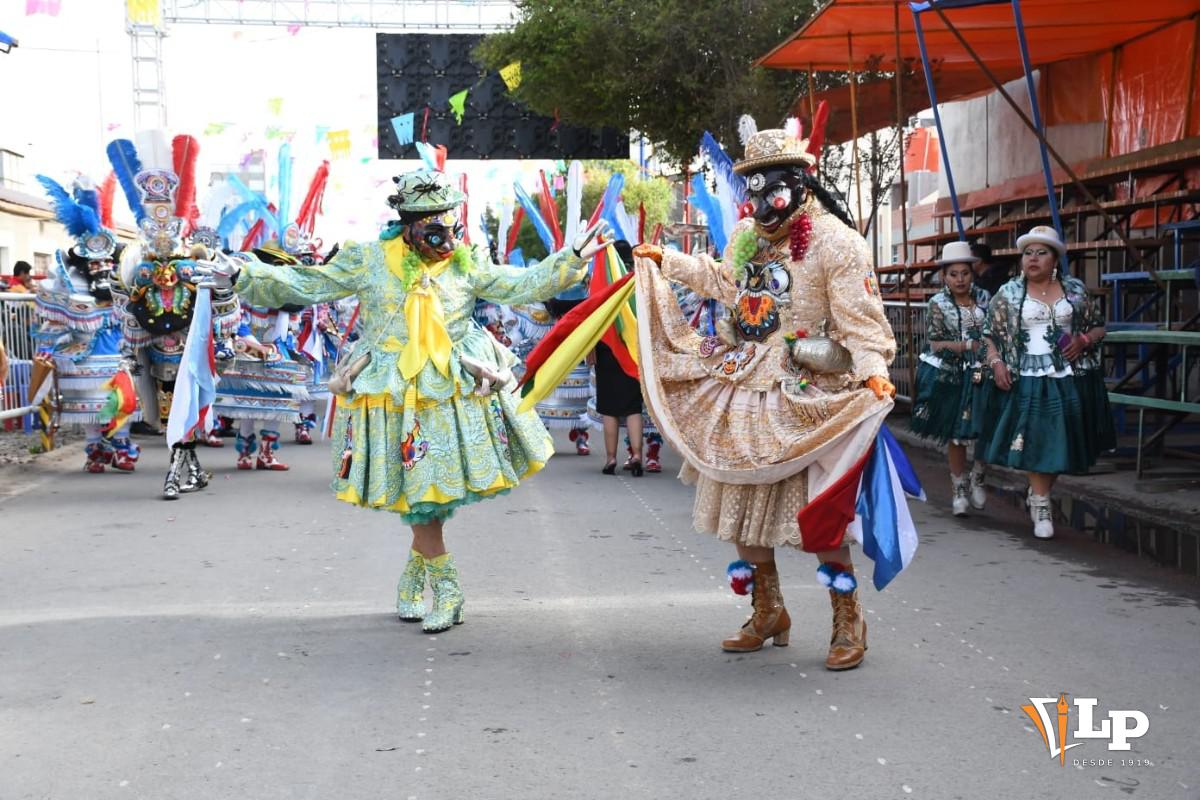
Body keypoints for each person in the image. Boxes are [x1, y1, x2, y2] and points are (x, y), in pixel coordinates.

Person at [209, 168, 608, 633]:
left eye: (450, 221)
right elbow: (308, 284)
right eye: (432, 223)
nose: (446, 232)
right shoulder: (368, 259)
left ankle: (436, 583)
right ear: (406, 221)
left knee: (429, 492)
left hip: (452, 390)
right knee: (420, 492)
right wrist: (243, 273)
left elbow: (519, 285)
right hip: (391, 393)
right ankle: (430, 579)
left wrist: (572, 258)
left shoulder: (466, 260)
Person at [633, 122, 902, 671]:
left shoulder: (838, 244)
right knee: (742, 506)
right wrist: (666, 260)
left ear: (803, 183)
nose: (761, 203)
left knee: (819, 511)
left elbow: (864, 328)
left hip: (807, 393)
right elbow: (725, 281)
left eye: (772, 189)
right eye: (751, 191)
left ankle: (847, 616)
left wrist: (874, 373)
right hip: (744, 384)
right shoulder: (748, 237)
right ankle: (768, 610)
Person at [982, 225, 1113, 539]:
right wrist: (996, 362)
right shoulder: (1009, 293)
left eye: (1042, 252)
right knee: (1037, 439)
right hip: (1026, 375)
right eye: (1028, 253)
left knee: (1060, 443)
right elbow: (987, 336)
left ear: (1055, 259)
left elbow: (1099, 328)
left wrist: (1083, 339)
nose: (1033, 259)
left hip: (1068, 376)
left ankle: (1039, 493)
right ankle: (1041, 503)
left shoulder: (1075, 290)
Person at [32, 174, 141, 473]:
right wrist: (47, 347)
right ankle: (95, 452)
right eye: (95, 264)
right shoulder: (70, 281)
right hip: (83, 352)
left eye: (106, 263)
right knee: (90, 406)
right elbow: (54, 318)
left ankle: (121, 447)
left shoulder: (125, 281)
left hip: (119, 350)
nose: (102, 269)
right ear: (84, 263)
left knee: (122, 400)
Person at [910, 240, 991, 516]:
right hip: (951, 373)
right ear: (944, 275)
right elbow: (935, 343)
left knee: (984, 428)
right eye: (953, 274)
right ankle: (958, 487)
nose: (959, 279)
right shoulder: (937, 303)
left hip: (982, 370)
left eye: (965, 273)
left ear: (973, 272)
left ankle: (979, 474)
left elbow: (993, 333)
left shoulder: (985, 298)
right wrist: (968, 346)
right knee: (957, 434)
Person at [593, 240, 646, 476]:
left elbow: (590, 319)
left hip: (607, 352)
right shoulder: (639, 283)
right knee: (633, 408)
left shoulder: (603, 284)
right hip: (633, 352)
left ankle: (611, 459)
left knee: (610, 410)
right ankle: (636, 455)